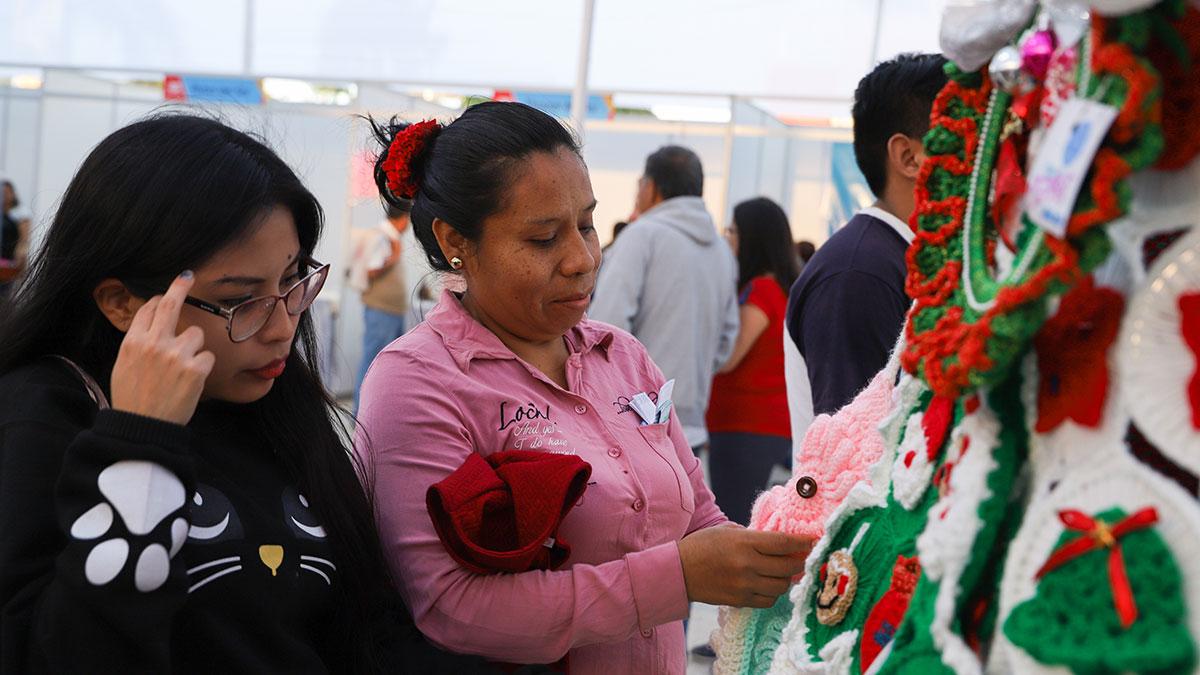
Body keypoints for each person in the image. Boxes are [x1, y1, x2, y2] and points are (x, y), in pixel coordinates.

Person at [0, 114, 486, 673]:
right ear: (122, 303)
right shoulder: (46, 413)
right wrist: (141, 442)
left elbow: (370, 624)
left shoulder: (272, 399)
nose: (282, 326)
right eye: (240, 300)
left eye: (291, 280)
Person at [355, 102, 810, 674]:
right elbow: (453, 606)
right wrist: (680, 576)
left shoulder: (620, 356)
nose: (583, 259)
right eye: (544, 238)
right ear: (456, 242)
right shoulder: (419, 383)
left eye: (588, 224)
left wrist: (785, 546)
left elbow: (696, 518)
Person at [785, 53, 948, 444]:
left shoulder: (904, 258)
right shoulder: (858, 272)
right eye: (964, 141)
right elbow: (857, 455)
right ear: (909, 157)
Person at [590, 146, 739, 454]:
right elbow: (726, 340)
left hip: (634, 419)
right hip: (692, 425)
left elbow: (606, 324)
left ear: (652, 187)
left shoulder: (642, 236)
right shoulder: (722, 251)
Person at [706, 197, 800, 527]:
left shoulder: (760, 290)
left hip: (745, 427)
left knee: (735, 521)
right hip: (760, 427)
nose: (728, 239)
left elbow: (729, 357)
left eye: (732, 231)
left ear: (752, 238)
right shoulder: (781, 288)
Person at [351, 200, 412, 408]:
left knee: (389, 366)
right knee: (372, 362)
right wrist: (393, 257)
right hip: (381, 311)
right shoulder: (382, 237)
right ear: (404, 220)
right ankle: (360, 414)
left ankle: (379, 411)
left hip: (391, 312)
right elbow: (370, 269)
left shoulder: (390, 238)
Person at [0, 180, 31, 297]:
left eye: (7, 192)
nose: (5, 195)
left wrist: (21, 260)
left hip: (9, 263)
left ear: (13, 194)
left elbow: (24, 239)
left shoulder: (21, 213)